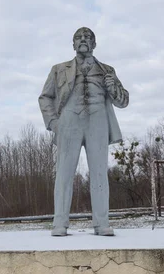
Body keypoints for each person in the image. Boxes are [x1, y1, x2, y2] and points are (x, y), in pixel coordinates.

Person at [38, 27, 129, 236]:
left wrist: (112, 86)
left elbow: (123, 101)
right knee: (64, 173)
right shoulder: (59, 69)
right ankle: (59, 223)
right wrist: (54, 122)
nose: (83, 40)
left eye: (88, 37)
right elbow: (45, 97)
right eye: (78, 37)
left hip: (98, 120)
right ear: (73, 44)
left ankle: (101, 223)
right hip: (68, 120)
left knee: (99, 173)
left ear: (94, 44)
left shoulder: (107, 70)